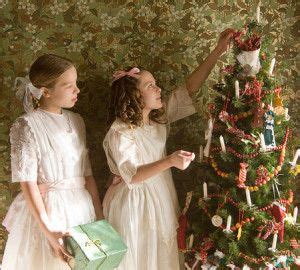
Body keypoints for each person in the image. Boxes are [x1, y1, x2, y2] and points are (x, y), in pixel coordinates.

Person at [102, 29, 235, 270]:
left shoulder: (157, 120)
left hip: (161, 194)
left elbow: (189, 90)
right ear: (135, 96)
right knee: (138, 255)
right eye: (150, 85)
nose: (158, 89)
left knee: (162, 255)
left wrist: (217, 51)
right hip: (135, 202)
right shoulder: (120, 131)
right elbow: (132, 175)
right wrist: (171, 161)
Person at [2, 54, 103, 270]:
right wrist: (49, 232)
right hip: (49, 211)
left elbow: (87, 174)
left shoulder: (77, 121)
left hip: (82, 207)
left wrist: (100, 217)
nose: (77, 90)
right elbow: (27, 183)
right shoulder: (26, 125)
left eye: (76, 84)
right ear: (46, 91)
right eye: (69, 86)